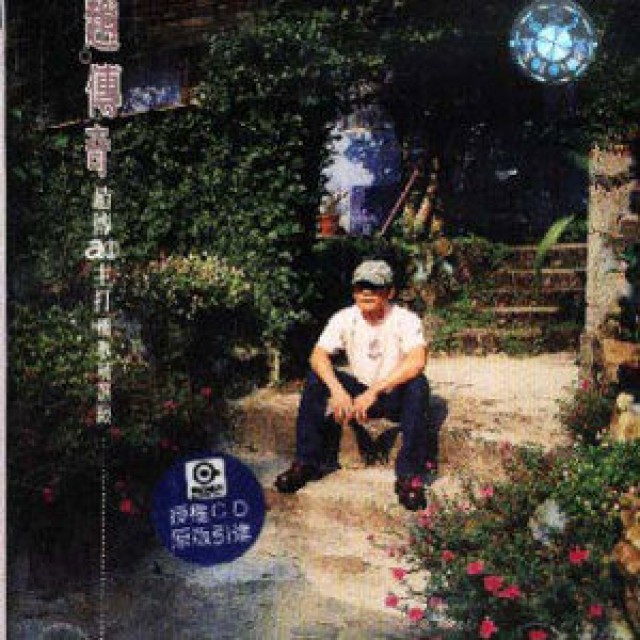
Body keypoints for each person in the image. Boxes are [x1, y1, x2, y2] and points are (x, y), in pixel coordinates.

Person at [275, 259, 431, 510]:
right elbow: (318, 355)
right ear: (354, 291)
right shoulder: (344, 318)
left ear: (390, 292)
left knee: (418, 385)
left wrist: (375, 391)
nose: (366, 292)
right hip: (359, 391)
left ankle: (408, 477)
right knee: (316, 377)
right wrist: (337, 391)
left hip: (393, 394)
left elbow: (417, 360)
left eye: (374, 287)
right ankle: (305, 463)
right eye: (361, 287)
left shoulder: (406, 319)